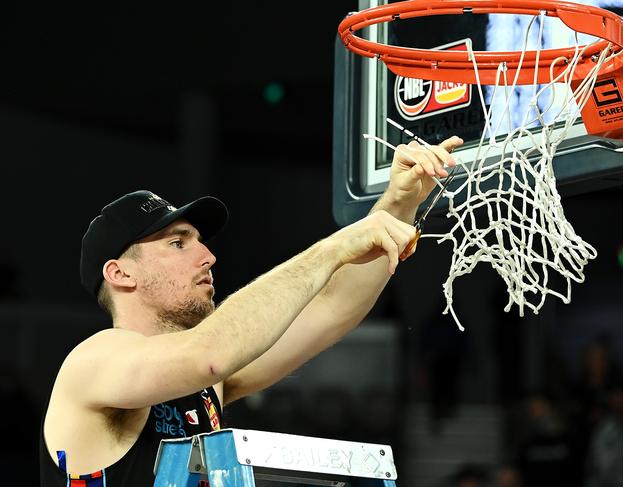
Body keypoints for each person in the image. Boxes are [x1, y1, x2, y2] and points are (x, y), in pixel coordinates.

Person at [39, 136, 463, 485]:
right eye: (177, 243)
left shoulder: (209, 383)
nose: (207, 256)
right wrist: (334, 246)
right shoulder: (94, 363)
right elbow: (206, 355)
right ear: (120, 273)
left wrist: (397, 205)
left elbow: (332, 307)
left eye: (199, 241)